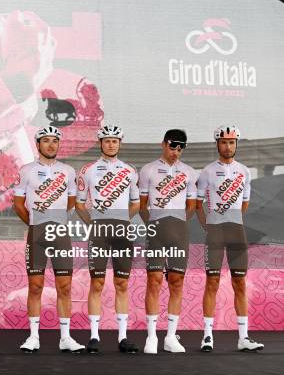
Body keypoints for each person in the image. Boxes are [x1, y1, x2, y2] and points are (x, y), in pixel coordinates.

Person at [14, 126, 85, 354]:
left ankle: (65, 337)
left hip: (61, 235)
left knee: (65, 286)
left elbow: (72, 201)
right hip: (37, 233)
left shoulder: (68, 171)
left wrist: (58, 221)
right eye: (46, 141)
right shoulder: (26, 171)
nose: (51, 145)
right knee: (35, 286)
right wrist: (35, 223)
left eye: (55, 141)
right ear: (38, 144)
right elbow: (18, 204)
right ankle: (33, 336)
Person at [196, 126, 264, 352]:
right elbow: (198, 203)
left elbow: (244, 204)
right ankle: (207, 336)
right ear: (217, 144)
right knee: (212, 282)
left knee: (240, 283)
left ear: (236, 144)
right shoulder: (206, 172)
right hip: (215, 232)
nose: (228, 146)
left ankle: (243, 337)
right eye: (224, 142)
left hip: (237, 231)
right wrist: (209, 224)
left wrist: (232, 219)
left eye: (232, 142)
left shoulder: (244, 171)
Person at [75, 125, 140, 354]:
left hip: (123, 232)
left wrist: (123, 219)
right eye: (107, 140)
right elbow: (79, 204)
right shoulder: (88, 170)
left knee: (122, 284)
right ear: (100, 143)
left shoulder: (130, 171)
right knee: (98, 283)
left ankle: (123, 337)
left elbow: (136, 203)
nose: (111, 144)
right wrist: (92, 223)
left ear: (120, 143)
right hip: (99, 233)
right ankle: (94, 336)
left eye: (115, 140)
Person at [138, 129, 197, 353]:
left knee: (177, 282)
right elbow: (142, 205)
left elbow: (191, 207)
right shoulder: (148, 170)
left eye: (181, 148)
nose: (176, 151)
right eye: (173, 146)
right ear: (164, 144)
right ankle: (151, 337)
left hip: (179, 232)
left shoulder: (190, 173)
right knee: (154, 281)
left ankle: (171, 337)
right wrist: (152, 225)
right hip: (156, 231)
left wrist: (179, 224)